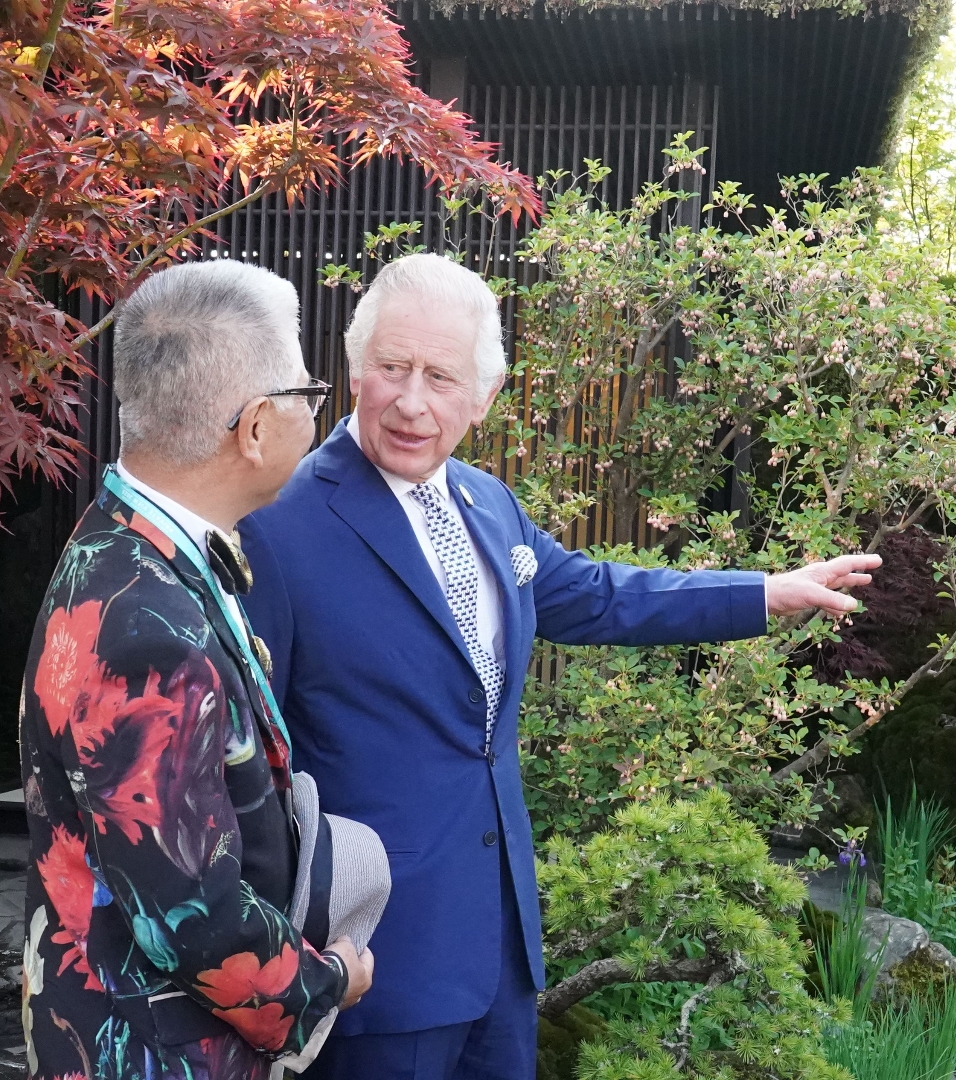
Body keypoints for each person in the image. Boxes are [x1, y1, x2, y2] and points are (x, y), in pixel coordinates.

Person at [239, 253, 882, 1080]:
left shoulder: (486, 504)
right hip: (369, 965)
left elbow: (599, 596)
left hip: (500, 952)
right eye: (392, 368)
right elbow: (248, 766)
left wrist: (763, 593)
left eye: (441, 376)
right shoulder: (279, 523)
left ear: (485, 396)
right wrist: (280, 964)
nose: (411, 400)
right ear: (355, 368)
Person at [19, 260, 378, 1080]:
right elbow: (193, 921)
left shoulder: (124, 542)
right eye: (307, 393)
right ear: (254, 428)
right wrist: (329, 982)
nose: (317, 412)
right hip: (151, 1051)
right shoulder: (147, 632)